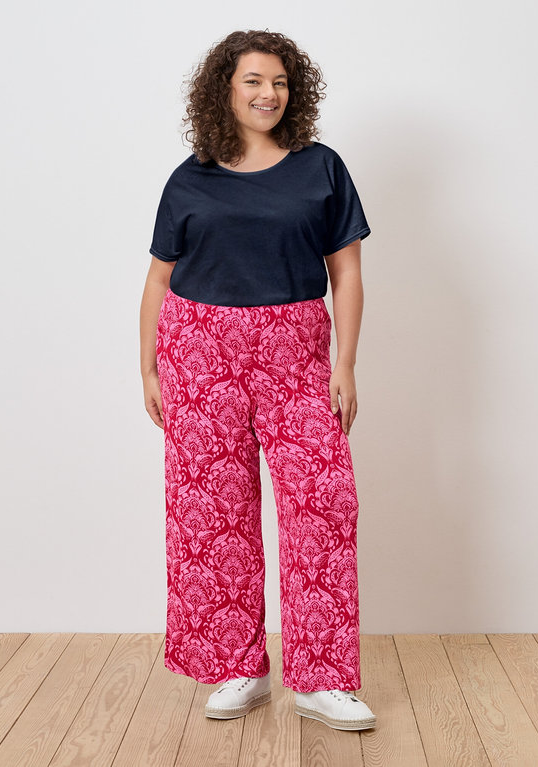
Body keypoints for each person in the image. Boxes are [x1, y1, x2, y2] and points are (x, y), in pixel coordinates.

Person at [139, 29, 376, 731]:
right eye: (252, 81)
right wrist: (147, 363)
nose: (268, 93)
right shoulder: (191, 177)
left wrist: (347, 362)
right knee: (212, 514)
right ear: (225, 90)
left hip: (297, 352)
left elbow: (348, 273)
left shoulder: (321, 169)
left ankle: (323, 677)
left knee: (323, 502)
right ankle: (238, 666)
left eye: (278, 81)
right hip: (197, 352)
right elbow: (158, 277)